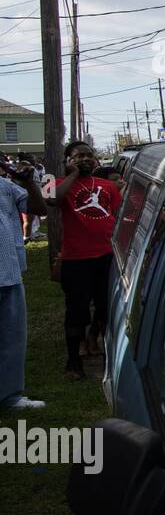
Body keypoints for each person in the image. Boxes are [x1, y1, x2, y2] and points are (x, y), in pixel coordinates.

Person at [54, 141, 122, 380]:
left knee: (105, 309)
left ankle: (109, 359)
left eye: (88, 155)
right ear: (68, 160)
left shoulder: (107, 186)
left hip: (105, 257)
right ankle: (74, 363)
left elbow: (119, 215)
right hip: (76, 259)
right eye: (78, 156)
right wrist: (72, 175)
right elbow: (50, 201)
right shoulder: (56, 184)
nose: (85, 159)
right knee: (76, 312)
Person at [1, 157, 48, 409]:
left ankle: (9, 396)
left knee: (11, 336)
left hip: (8, 270)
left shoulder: (5, 186)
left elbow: (40, 209)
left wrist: (29, 183)